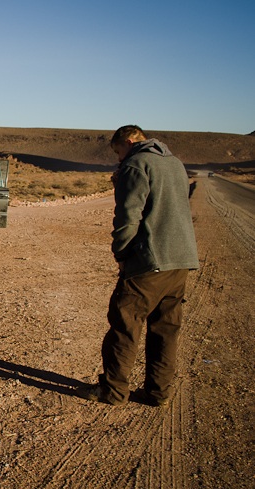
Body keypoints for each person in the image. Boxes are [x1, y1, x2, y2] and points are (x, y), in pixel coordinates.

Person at [77, 125, 198, 407]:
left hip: (148, 261)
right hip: (180, 260)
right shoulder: (176, 164)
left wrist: (121, 252)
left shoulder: (136, 164)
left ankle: (113, 390)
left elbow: (128, 216)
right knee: (165, 330)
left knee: (125, 325)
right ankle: (158, 392)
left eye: (119, 151)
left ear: (129, 143)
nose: (119, 158)